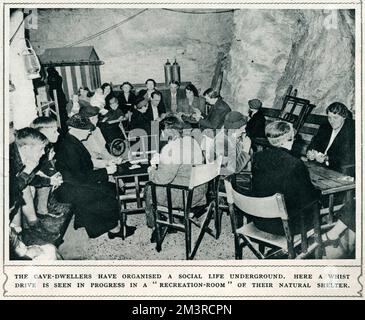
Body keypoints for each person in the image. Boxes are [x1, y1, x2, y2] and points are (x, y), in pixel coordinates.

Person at [54, 114, 136, 239]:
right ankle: (114, 229)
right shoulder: (70, 147)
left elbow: (86, 164)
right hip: (71, 188)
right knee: (107, 193)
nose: (89, 134)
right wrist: (105, 171)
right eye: (87, 131)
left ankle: (100, 224)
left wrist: (106, 163)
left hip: (77, 182)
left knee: (110, 187)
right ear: (77, 130)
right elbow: (81, 177)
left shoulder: (73, 141)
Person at [251, 121, 319, 236]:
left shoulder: (258, 157)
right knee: (316, 202)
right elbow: (308, 197)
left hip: (260, 219)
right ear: (289, 139)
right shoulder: (295, 164)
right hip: (285, 226)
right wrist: (319, 194)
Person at [145, 116, 207, 242]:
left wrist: (152, 168)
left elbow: (161, 179)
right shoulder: (191, 141)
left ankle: (157, 225)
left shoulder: (172, 148)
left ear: (167, 131)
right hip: (199, 189)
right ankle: (171, 218)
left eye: (162, 131)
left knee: (148, 188)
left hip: (186, 196)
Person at [9, 127, 57, 243]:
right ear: (25, 148)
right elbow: (11, 192)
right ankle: (17, 241)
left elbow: (28, 180)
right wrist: (27, 171)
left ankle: (33, 225)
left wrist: (49, 181)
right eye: (41, 149)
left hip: (11, 190)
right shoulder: (8, 161)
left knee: (24, 189)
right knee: (16, 204)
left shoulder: (22, 154)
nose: (42, 153)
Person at [307, 102, 355, 176]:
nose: (331, 121)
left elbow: (348, 158)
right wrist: (310, 152)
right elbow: (314, 142)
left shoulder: (352, 131)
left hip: (338, 170)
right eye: (329, 117)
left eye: (335, 118)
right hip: (320, 166)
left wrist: (327, 158)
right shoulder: (325, 126)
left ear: (344, 117)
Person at [30, 116, 64, 218]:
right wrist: (49, 177)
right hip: (26, 176)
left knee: (53, 176)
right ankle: (38, 213)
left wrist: (53, 173)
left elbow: (46, 163)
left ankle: (43, 208)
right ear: (43, 133)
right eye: (54, 132)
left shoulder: (48, 145)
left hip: (36, 170)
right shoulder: (34, 148)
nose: (58, 134)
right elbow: (32, 170)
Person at [207, 111, 252, 176]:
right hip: (221, 178)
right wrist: (245, 150)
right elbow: (233, 169)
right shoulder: (221, 142)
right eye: (241, 129)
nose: (244, 131)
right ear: (233, 129)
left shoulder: (231, 137)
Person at [79, 104, 122, 168]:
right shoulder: (80, 135)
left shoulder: (97, 130)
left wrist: (113, 159)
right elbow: (87, 161)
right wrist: (106, 163)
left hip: (103, 164)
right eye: (94, 118)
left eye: (96, 118)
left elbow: (103, 151)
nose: (96, 121)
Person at [46, 67, 68, 131]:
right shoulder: (59, 77)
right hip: (60, 95)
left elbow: (49, 83)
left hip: (57, 95)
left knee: (59, 111)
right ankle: (64, 124)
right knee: (62, 111)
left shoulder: (52, 77)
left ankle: (62, 125)